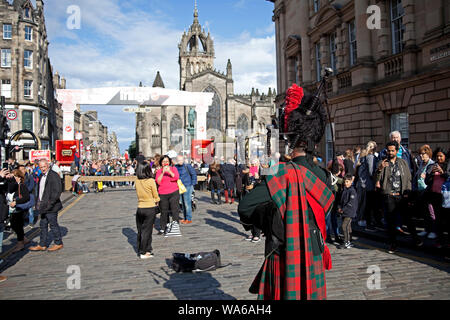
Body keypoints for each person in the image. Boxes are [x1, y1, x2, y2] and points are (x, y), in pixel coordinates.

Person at [238, 84, 335, 300]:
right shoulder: (323, 175)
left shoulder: (280, 173)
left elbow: (245, 208)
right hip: (314, 252)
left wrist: (272, 217)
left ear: (290, 142)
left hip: (284, 254)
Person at [375, 141, 421, 254]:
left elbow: (408, 179)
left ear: (396, 151)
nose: (390, 152)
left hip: (401, 195)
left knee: (408, 218)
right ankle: (393, 244)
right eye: (388, 150)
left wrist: (407, 192)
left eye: (392, 150)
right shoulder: (383, 163)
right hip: (389, 196)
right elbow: (376, 179)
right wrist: (380, 169)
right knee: (391, 222)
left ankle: (416, 239)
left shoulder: (403, 163)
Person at [29, 159, 64, 252]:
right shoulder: (41, 176)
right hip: (42, 205)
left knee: (53, 224)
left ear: (48, 166)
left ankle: (58, 243)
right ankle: (42, 244)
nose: (43, 169)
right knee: (43, 225)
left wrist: (50, 203)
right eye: (41, 167)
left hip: (50, 206)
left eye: (44, 167)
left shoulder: (53, 175)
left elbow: (57, 191)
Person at [135, 162, 160, 259]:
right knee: (147, 231)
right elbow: (155, 195)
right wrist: (157, 201)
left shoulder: (137, 180)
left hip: (140, 207)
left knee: (141, 230)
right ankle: (143, 251)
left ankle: (144, 248)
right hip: (149, 208)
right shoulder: (150, 181)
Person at [425, 148, 449, 247]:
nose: (439, 158)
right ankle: (439, 241)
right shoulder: (432, 166)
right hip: (434, 195)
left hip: (445, 196)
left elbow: (448, 177)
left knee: (446, 220)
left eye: (441, 156)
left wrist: (442, 172)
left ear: (445, 156)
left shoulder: (447, 166)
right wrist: (431, 174)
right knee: (437, 220)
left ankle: (447, 242)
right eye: (437, 156)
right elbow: (426, 181)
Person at [355, 141, 379, 230]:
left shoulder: (363, 157)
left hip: (361, 183)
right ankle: (365, 221)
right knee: (366, 204)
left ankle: (361, 219)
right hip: (367, 184)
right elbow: (371, 172)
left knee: (362, 203)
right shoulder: (370, 157)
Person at [155, 155, 181, 237]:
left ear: (169, 162)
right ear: (161, 163)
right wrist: (163, 172)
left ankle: (175, 227)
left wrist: (169, 171)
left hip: (174, 192)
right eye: (163, 162)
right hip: (163, 193)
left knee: (174, 210)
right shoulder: (159, 171)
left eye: (167, 161)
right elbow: (158, 181)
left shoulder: (173, 169)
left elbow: (176, 177)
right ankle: (163, 227)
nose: (165, 163)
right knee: (164, 211)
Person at [8, 169, 31, 253]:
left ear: (19, 177)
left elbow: (26, 197)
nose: (13, 178)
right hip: (12, 209)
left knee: (17, 226)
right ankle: (23, 239)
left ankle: (20, 244)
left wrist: (16, 202)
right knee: (14, 225)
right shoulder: (11, 186)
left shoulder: (21, 186)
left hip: (19, 209)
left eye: (14, 176)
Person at [175, 155, 197, 224]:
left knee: (187, 202)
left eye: (181, 160)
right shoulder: (175, 167)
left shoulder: (187, 166)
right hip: (179, 186)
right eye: (178, 160)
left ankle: (189, 218)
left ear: (183, 160)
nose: (180, 162)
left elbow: (193, 174)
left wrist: (192, 184)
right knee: (182, 203)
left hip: (187, 185)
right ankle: (185, 218)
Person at [338, 174, 358, 249]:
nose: (345, 183)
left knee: (344, 226)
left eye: (347, 182)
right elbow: (342, 201)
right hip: (344, 212)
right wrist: (339, 207)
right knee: (348, 227)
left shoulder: (352, 191)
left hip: (349, 212)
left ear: (351, 182)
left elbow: (351, 203)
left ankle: (346, 242)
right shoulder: (344, 190)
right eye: (345, 182)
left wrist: (343, 209)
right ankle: (350, 240)